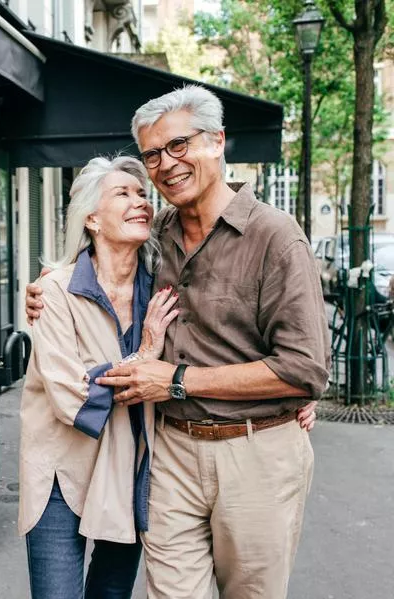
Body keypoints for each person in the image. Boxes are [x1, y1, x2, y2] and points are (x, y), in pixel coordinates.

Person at [25, 85, 327, 599]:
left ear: (217, 141)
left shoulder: (276, 236)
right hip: (168, 456)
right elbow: (95, 275)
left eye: (178, 145)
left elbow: (304, 368)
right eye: (152, 155)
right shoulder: (156, 237)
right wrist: (46, 291)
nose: (164, 166)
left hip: (254, 451)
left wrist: (184, 382)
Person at [19, 156, 179, 598]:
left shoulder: (160, 291)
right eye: (122, 193)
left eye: (142, 194)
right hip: (60, 473)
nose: (139, 202)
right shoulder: (55, 291)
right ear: (91, 218)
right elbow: (73, 396)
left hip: (128, 467)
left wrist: (294, 391)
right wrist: (146, 356)